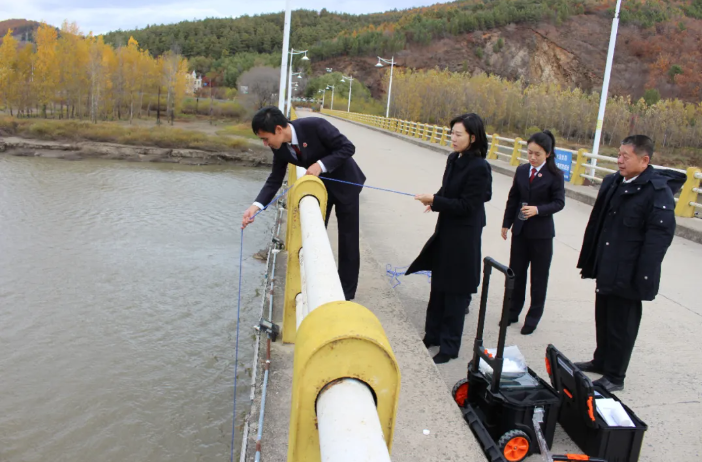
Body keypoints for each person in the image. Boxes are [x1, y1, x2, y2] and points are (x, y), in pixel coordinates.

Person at [574, 135, 685, 392]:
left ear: (644, 160)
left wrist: (643, 277)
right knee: (603, 317)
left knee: (621, 325)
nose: (619, 160)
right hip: (607, 264)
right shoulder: (614, 182)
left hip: (629, 271)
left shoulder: (657, 192)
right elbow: (599, 223)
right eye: (619, 154)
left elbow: (658, 240)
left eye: (626, 156)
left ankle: (615, 375)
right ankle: (602, 360)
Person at [241, 106, 366, 301]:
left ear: (279, 129)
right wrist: (255, 207)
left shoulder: (316, 125)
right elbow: (275, 179)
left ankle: (346, 294)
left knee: (348, 240)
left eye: (265, 138)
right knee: (313, 236)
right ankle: (317, 285)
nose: (265, 144)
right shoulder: (279, 146)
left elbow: (348, 148)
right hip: (317, 190)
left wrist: (320, 165)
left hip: (345, 186)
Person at [407, 113, 492, 364]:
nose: (453, 138)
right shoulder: (454, 158)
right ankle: (431, 335)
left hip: (464, 236)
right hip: (446, 229)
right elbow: (447, 189)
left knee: (456, 292)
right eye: (451, 133)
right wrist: (434, 201)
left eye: (458, 134)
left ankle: (449, 346)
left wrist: (436, 200)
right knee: (439, 285)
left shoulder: (480, 167)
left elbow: (467, 205)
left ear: (473, 137)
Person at [501, 130, 566, 335]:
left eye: (537, 154)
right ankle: (512, 312)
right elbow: (513, 198)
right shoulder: (522, 170)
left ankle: (533, 317)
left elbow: (559, 202)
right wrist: (506, 223)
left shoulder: (555, 175)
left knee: (538, 278)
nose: (532, 157)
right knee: (516, 274)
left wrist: (538, 210)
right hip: (520, 231)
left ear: (548, 153)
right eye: (529, 152)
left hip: (542, 235)